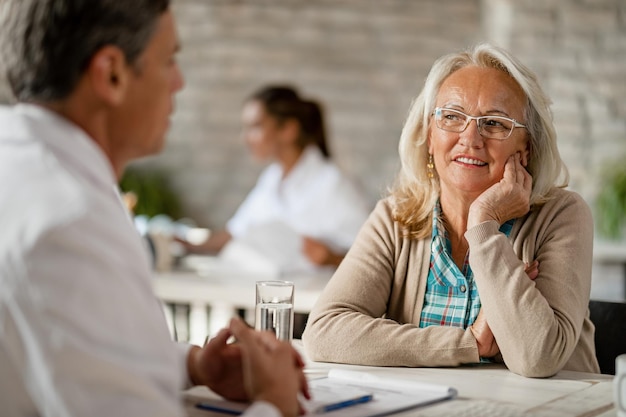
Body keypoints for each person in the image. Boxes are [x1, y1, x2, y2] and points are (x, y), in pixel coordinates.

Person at [0, 1, 308, 417]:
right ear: (112, 74)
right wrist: (275, 402)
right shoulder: (68, 220)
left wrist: (191, 363)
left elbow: (69, 343)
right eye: (169, 61)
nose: (179, 82)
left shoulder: (25, 167)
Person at [302, 43, 600, 378]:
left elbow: (539, 357)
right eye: (452, 117)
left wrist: (483, 223)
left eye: (494, 122)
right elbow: (324, 332)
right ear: (429, 136)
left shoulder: (563, 216)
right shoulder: (394, 218)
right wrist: (469, 342)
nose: (471, 137)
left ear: (526, 148)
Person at [183, 85, 371, 270]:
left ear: (289, 129)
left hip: (315, 296)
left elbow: (373, 256)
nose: (245, 138)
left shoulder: (333, 182)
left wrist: (330, 258)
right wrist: (185, 245)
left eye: (255, 127)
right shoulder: (272, 178)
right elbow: (235, 232)